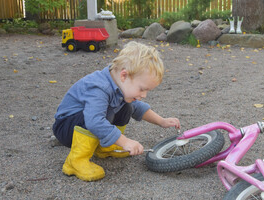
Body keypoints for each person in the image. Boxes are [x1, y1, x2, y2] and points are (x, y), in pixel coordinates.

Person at [53, 41, 180, 182]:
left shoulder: (119, 85)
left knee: (128, 105)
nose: (144, 94)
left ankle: (105, 147)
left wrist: (161, 121)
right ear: (124, 76)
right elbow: (94, 121)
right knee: (99, 114)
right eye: (142, 89)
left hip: (83, 123)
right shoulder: (99, 88)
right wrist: (125, 141)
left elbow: (138, 107)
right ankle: (76, 160)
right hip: (66, 128)